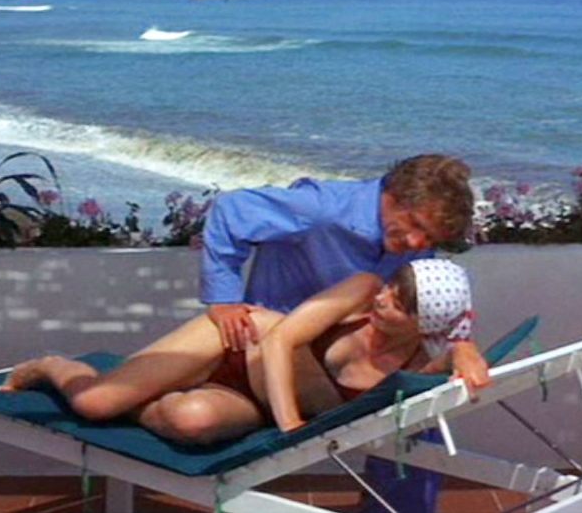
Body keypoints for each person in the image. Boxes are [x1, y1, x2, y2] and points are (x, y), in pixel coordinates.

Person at [199, 154, 477, 512]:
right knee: (403, 411)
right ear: (394, 195)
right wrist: (223, 299)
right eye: (414, 225)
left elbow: (434, 301)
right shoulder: (321, 209)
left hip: (340, 358)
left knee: (420, 405)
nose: (417, 242)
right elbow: (230, 210)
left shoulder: (414, 239)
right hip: (280, 352)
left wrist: (461, 345)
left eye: (430, 238)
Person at [0, 260, 489, 445]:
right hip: (231, 344)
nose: (383, 299)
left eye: (398, 304)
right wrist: (292, 427)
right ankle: (52, 365)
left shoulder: (414, 362)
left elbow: (445, 363)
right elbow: (278, 338)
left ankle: (140, 396)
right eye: (390, 288)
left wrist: (463, 349)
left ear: (422, 325)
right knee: (93, 403)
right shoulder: (361, 290)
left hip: (257, 399)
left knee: (192, 421)